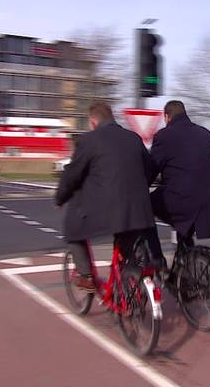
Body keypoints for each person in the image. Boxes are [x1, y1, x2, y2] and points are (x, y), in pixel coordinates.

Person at [55, 102, 155, 291]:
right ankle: (132, 281)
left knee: (72, 228)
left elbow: (73, 174)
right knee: (127, 242)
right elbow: (149, 169)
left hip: (106, 211)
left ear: (93, 122)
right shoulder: (133, 138)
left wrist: (60, 198)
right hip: (138, 208)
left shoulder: (89, 140)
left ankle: (86, 276)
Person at [147, 100, 210, 271]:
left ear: (167, 117)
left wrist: (142, 184)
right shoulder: (205, 134)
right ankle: (185, 275)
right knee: (184, 232)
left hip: (180, 199)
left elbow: (152, 168)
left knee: (144, 206)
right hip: (206, 202)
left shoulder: (164, 136)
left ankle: (157, 258)